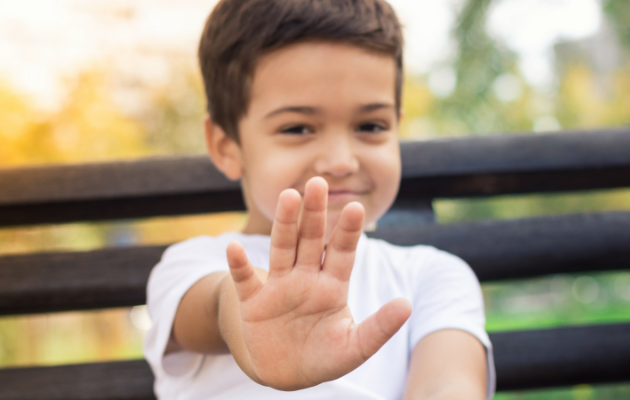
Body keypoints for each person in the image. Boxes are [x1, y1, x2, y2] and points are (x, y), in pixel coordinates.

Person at [143, 0, 495, 398]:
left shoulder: (433, 278)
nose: (341, 161)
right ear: (227, 146)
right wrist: (245, 316)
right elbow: (213, 307)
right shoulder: (192, 266)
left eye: (370, 125)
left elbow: (449, 386)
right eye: (297, 128)